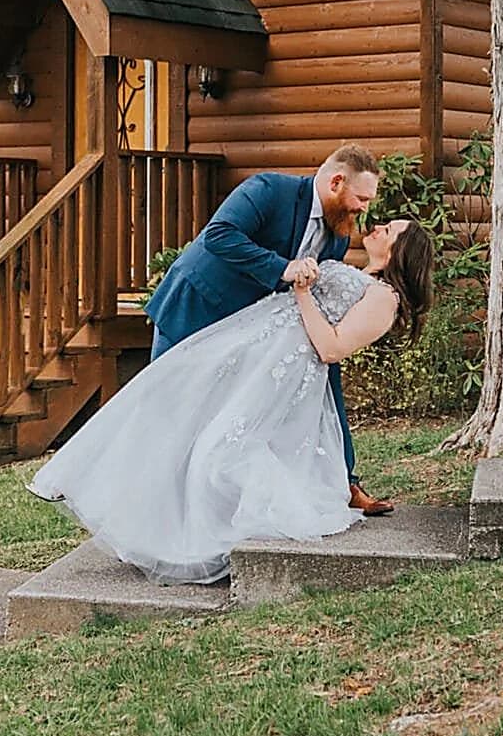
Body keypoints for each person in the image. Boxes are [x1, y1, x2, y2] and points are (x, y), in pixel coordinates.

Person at [29, 219, 434, 585]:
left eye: (390, 230)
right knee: (171, 406)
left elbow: (331, 348)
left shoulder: (385, 299)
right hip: (252, 348)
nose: (377, 226)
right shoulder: (358, 271)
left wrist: (304, 292)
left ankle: (193, 539)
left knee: (221, 450)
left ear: (402, 252)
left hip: (281, 371)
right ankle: (126, 509)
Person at [141, 144, 396, 516]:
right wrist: (283, 267)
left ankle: (344, 481)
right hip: (197, 307)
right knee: (167, 409)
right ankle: (147, 507)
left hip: (251, 331)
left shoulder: (338, 238)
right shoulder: (269, 189)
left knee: (316, 378)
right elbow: (219, 234)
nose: (364, 209)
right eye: (361, 198)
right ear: (336, 182)